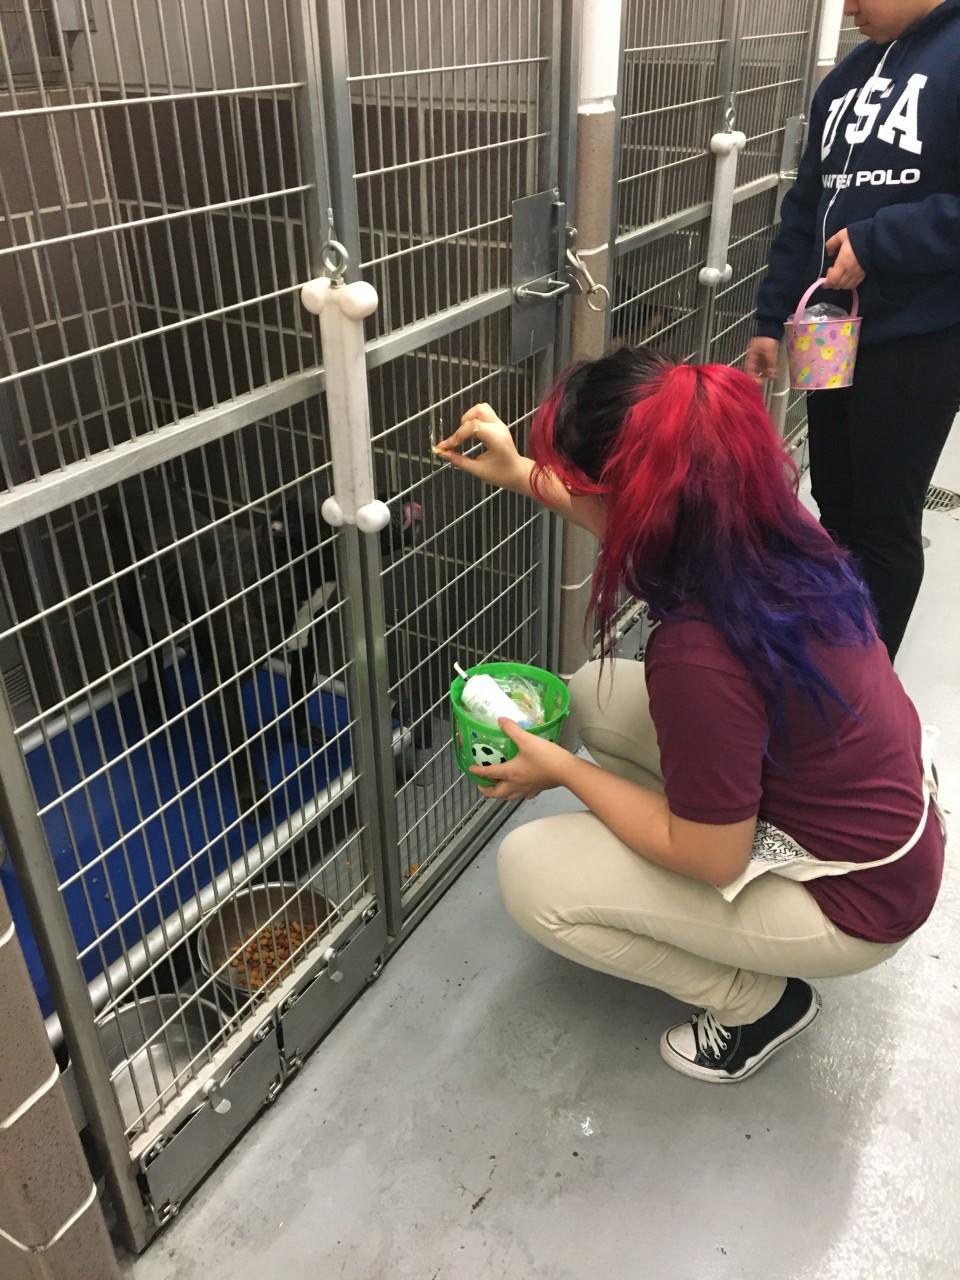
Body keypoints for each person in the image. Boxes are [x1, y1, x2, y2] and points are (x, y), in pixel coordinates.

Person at [435, 346, 944, 1083]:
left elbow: (712, 859)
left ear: (641, 503)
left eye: (581, 485)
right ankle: (713, 844)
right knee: (593, 695)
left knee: (531, 873)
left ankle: (757, 1007)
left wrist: (564, 771)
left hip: (856, 902)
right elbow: (622, 512)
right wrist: (522, 473)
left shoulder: (700, 655)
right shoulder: (763, 529)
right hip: (888, 830)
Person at [746, 0, 960, 663]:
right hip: (829, 329)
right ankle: (832, 650)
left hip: (918, 334)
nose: (847, 7)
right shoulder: (844, 79)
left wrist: (881, 239)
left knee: (883, 518)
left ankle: (865, 688)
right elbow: (806, 206)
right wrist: (771, 317)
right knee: (834, 501)